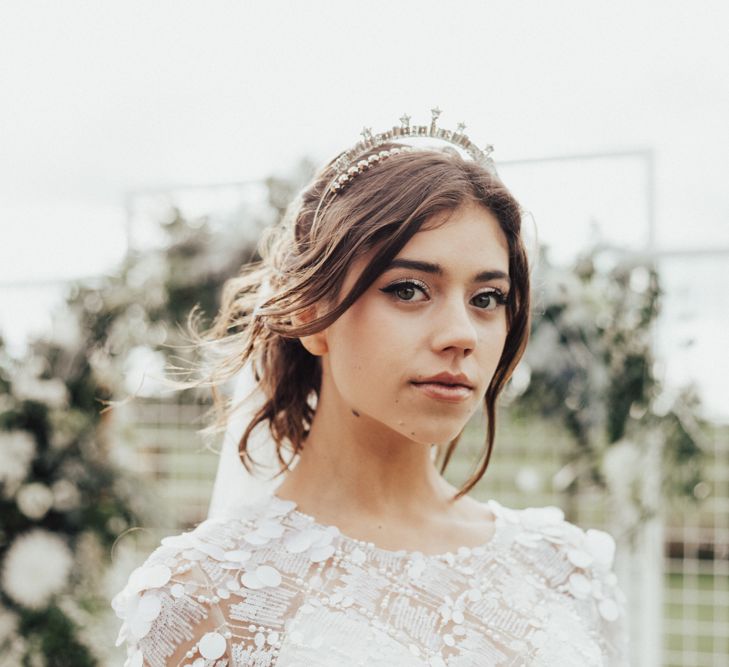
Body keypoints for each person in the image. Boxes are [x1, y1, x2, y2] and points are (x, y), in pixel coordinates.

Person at [112, 110, 629, 666]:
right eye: (408, 289)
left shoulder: (567, 570)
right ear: (314, 310)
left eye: (486, 299)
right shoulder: (205, 598)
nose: (461, 335)